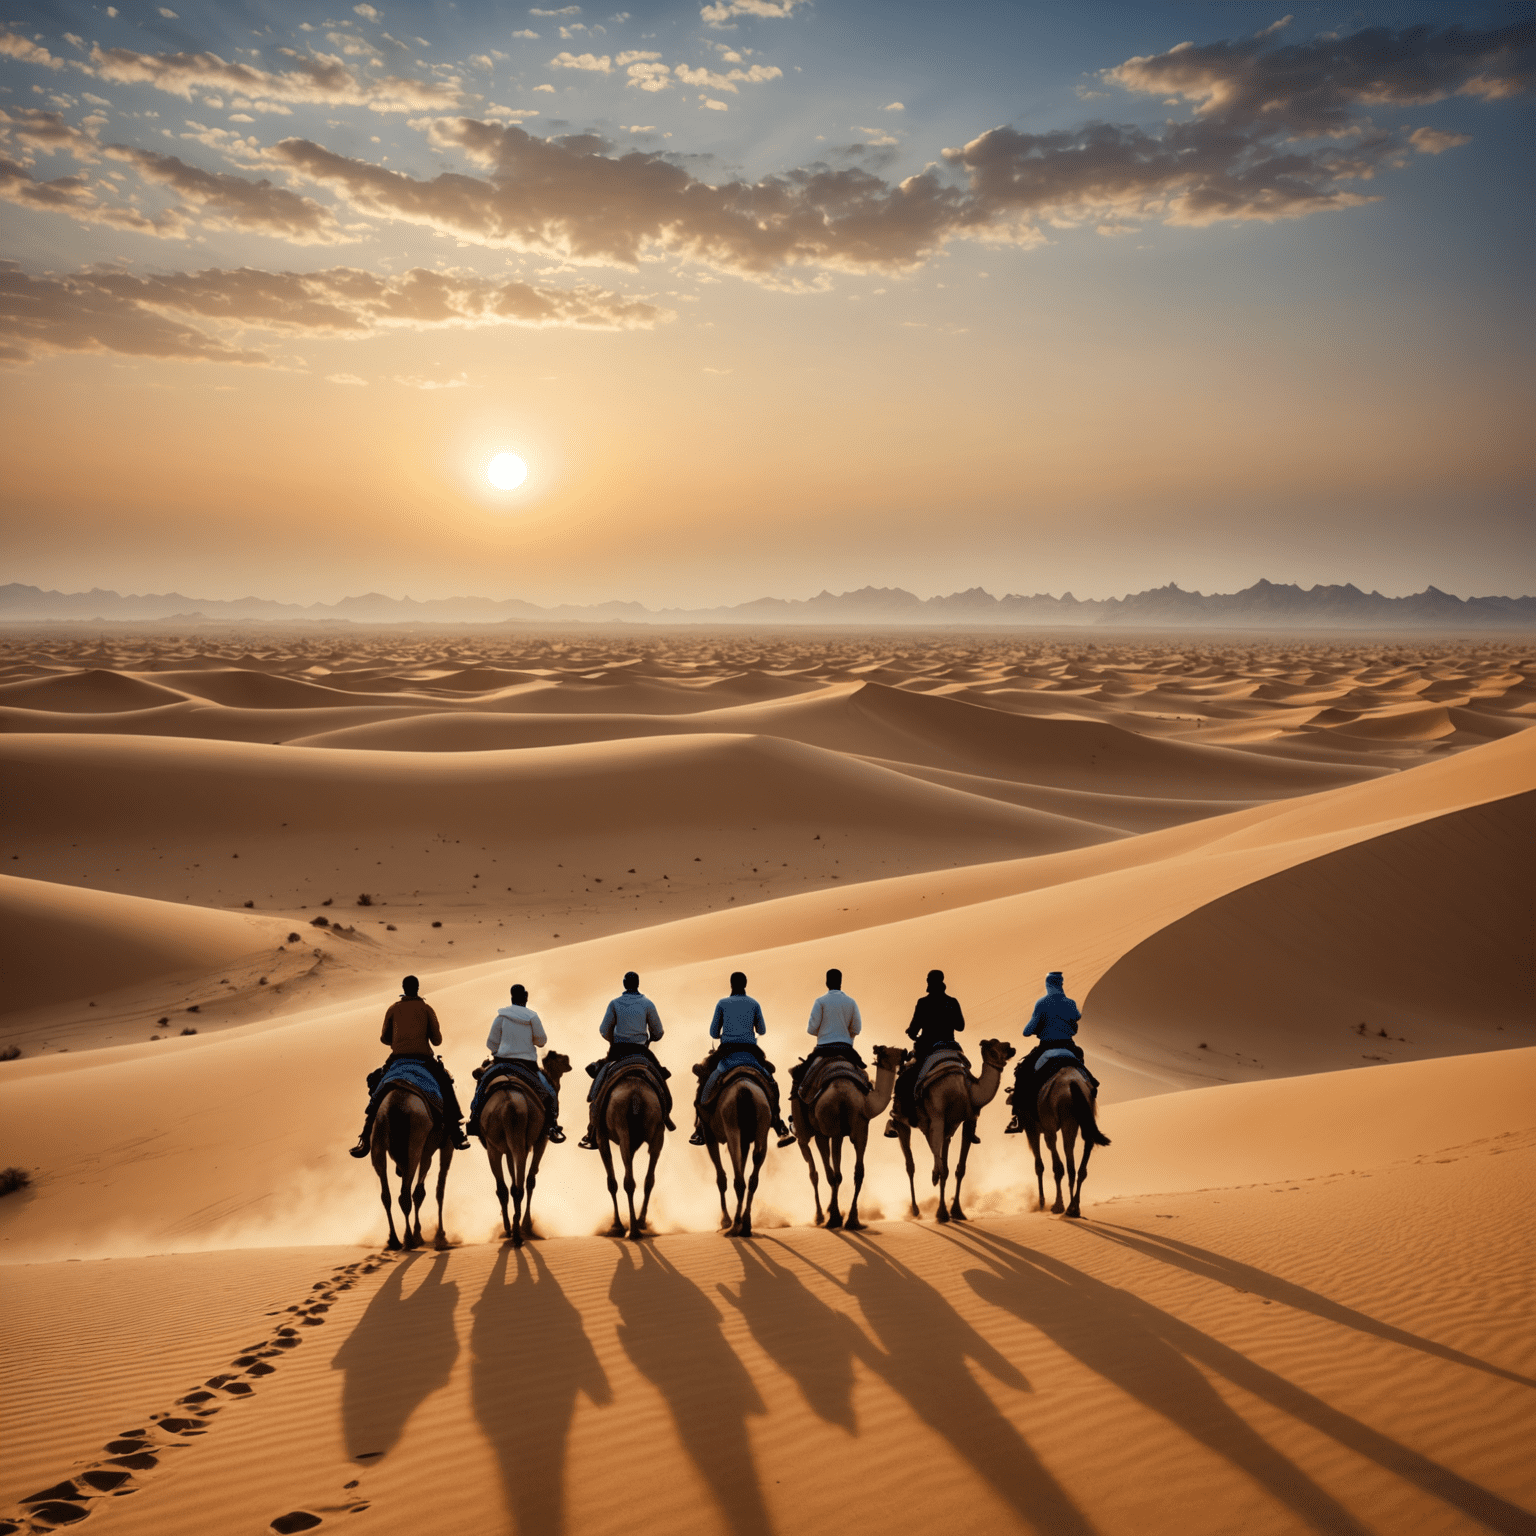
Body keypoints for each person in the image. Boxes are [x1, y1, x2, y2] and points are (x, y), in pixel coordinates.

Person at [349, 975, 470, 1156]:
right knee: (445, 1082)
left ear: (403, 989)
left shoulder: (393, 1009)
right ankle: (457, 1131)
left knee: (378, 1085)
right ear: (418, 988)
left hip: (397, 1059)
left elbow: (384, 1038)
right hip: (424, 1059)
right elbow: (437, 1041)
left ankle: (365, 1137)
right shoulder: (427, 1009)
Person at [689, 971, 795, 1148]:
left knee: (707, 1079)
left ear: (731, 984)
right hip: (751, 1052)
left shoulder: (722, 1003)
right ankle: (779, 1125)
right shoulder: (754, 1003)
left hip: (726, 1052)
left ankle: (700, 1128)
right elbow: (761, 1030)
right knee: (770, 1081)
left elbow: (713, 1033)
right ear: (745, 984)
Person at [578, 971, 670, 1150]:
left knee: (599, 1084)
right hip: (641, 1053)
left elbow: (604, 1030)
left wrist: (614, 1039)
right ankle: (664, 1117)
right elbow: (658, 1032)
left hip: (618, 1052)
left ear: (624, 984)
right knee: (660, 1080)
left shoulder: (615, 1004)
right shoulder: (647, 1004)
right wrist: (649, 1038)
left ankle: (592, 1130)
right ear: (637, 983)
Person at [467, 983, 566, 1143]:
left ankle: (474, 1120)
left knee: (482, 1086)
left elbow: (491, 1043)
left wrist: (499, 1050)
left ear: (512, 998)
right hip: (527, 1065)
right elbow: (541, 1041)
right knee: (549, 1093)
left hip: (501, 1063)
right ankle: (552, 1126)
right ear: (526, 997)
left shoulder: (501, 1017)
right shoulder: (532, 1017)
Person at [1005, 970, 1099, 1135]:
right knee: (1085, 1075)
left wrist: (1041, 1026)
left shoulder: (1042, 1003)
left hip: (1047, 1048)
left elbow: (1027, 1031)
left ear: (1048, 985)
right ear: (1061, 984)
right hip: (1069, 1047)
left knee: (1022, 1072)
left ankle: (1017, 1119)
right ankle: (1089, 1108)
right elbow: (1077, 1017)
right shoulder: (1070, 1003)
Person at [887, 968, 969, 1138]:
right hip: (951, 1047)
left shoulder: (923, 1003)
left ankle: (902, 1114)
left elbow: (913, 1029)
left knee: (905, 1079)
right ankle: (972, 1121)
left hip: (928, 1048)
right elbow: (961, 1026)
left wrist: (910, 1031)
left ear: (929, 983)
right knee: (969, 1077)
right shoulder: (952, 1002)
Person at [789, 968, 865, 1099]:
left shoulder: (820, 1002)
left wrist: (825, 1032)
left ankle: (797, 1105)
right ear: (841, 982)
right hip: (847, 1049)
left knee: (800, 1076)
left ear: (826, 982)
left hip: (823, 1049)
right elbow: (856, 1028)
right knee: (864, 1077)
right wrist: (846, 1036)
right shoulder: (851, 1002)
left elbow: (811, 1029)